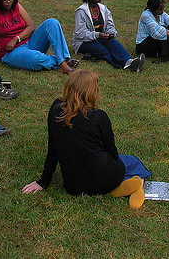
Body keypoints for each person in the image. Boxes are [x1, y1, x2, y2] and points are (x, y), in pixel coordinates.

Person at [21, 70, 150, 209]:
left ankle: (122, 186)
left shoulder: (55, 109)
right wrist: (117, 167)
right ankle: (136, 184)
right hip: (105, 178)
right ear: (92, 91)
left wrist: (43, 181)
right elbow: (111, 151)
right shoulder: (99, 116)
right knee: (133, 161)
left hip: (73, 186)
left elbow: (53, 148)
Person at [72, 0, 144, 72]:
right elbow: (80, 34)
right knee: (103, 50)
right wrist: (98, 35)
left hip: (101, 37)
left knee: (114, 44)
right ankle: (124, 65)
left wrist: (111, 32)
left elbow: (110, 25)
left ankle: (130, 61)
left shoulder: (103, 9)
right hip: (83, 41)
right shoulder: (81, 11)